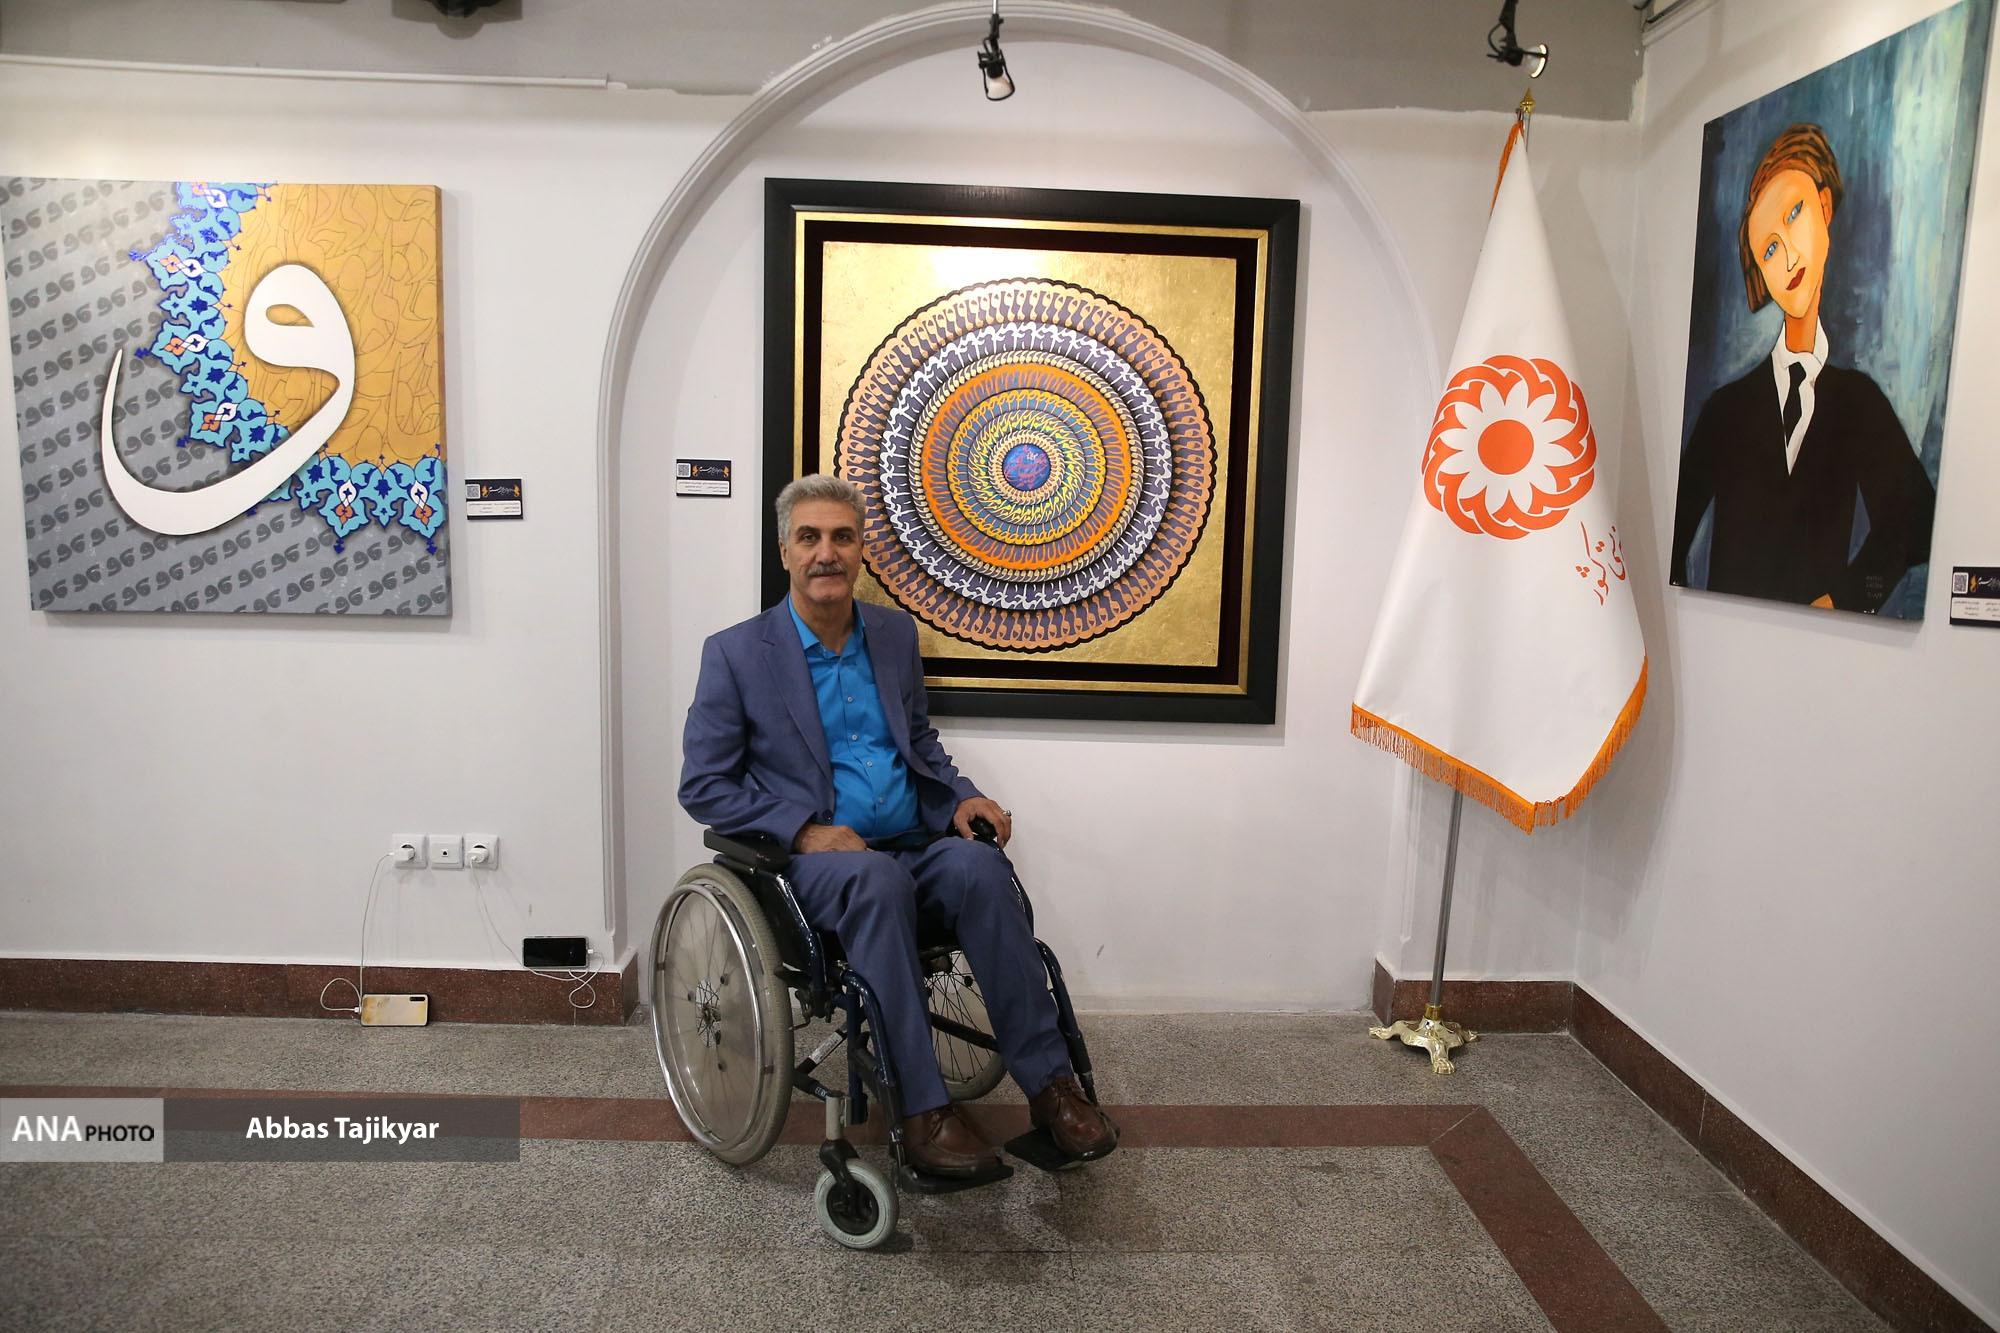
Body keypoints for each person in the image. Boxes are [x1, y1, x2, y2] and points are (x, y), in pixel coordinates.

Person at [678, 473, 1117, 1178]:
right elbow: (704, 786)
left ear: (862, 550)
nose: (827, 552)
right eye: (809, 537)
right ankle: (922, 1111)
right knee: (876, 881)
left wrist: (960, 798)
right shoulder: (735, 654)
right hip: (818, 868)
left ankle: (1051, 1086)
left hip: (912, 844)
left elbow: (918, 743)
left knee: (982, 867)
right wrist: (804, 832)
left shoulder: (891, 634)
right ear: (784, 551)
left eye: (842, 537)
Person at [1670, 122, 1935, 612]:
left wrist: (1842, 600)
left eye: (1795, 214)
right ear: (1762, 274)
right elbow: (1672, 537)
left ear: (1825, 208)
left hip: (1821, 646)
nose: (1789, 256)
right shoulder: (1726, 411)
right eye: (1769, 249)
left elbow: (1917, 520)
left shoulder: (1858, 402)